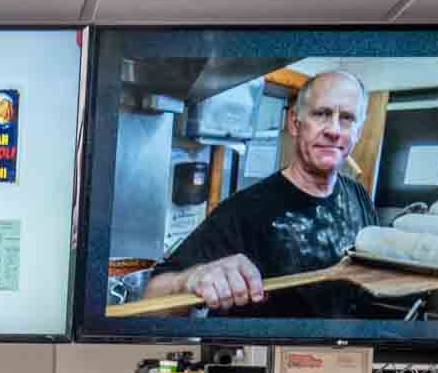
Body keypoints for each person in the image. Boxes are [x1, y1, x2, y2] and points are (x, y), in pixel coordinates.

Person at [141, 70, 380, 318]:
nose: (334, 130)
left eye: (347, 118)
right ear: (295, 123)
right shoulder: (245, 211)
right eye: (321, 114)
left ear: (358, 133)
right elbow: (151, 299)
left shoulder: (358, 196)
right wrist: (189, 280)